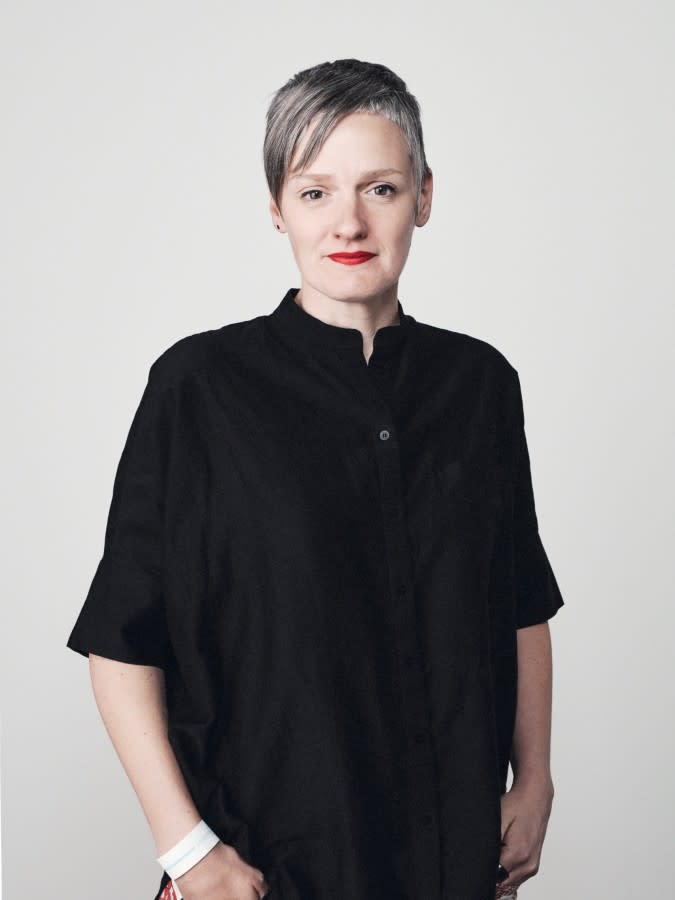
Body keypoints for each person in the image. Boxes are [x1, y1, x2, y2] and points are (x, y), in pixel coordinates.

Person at [66, 58, 564, 900]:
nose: (349, 223)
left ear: (424, 198)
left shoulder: (480, 384)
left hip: (451, 855)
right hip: (266, 861)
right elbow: (121, 642)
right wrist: (187, 850)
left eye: (380, 189)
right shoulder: (200, 387)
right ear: (276, 208)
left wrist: (534, 781)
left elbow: (519, 601)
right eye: (314, 192)